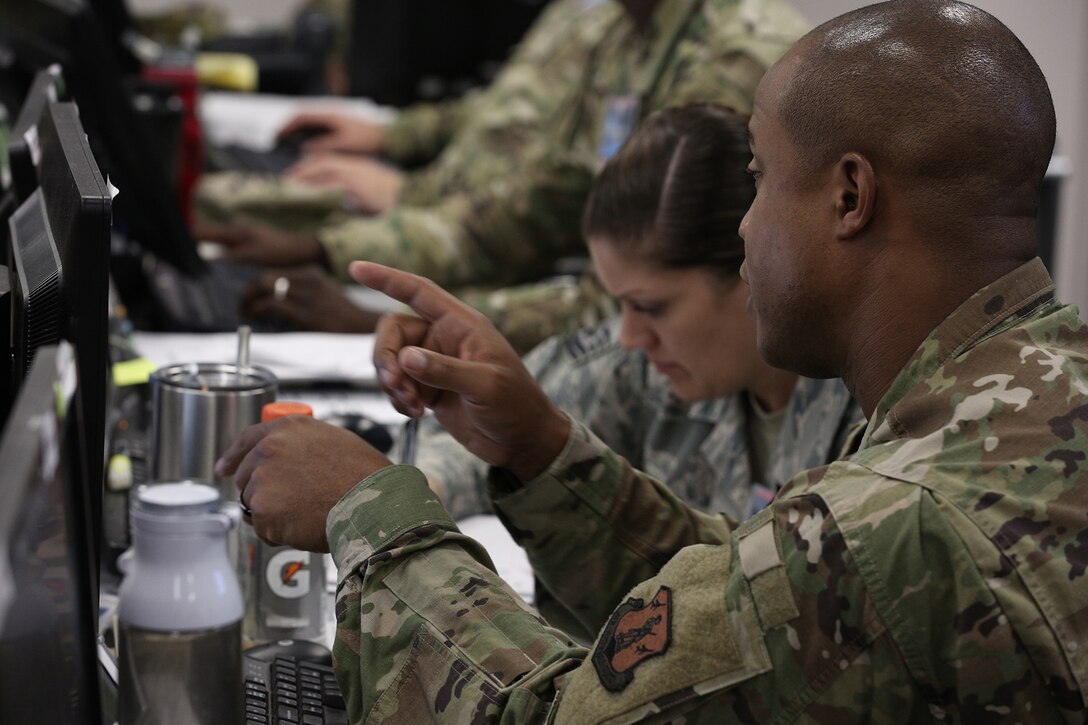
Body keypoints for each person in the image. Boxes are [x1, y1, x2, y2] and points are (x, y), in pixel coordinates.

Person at [219, 1, 1088, 720]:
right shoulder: (1030, 388)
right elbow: (747, 604)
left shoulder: (886, 527)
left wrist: (370, 512)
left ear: (849, 197)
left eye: (759, 177)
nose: (744, 230)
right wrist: (542, 450)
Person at [196, 0, 808, 340]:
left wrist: (401, 319)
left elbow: (633, 304)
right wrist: (329, 249)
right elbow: (542, 201)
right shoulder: (625, 30)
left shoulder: (730, 55)